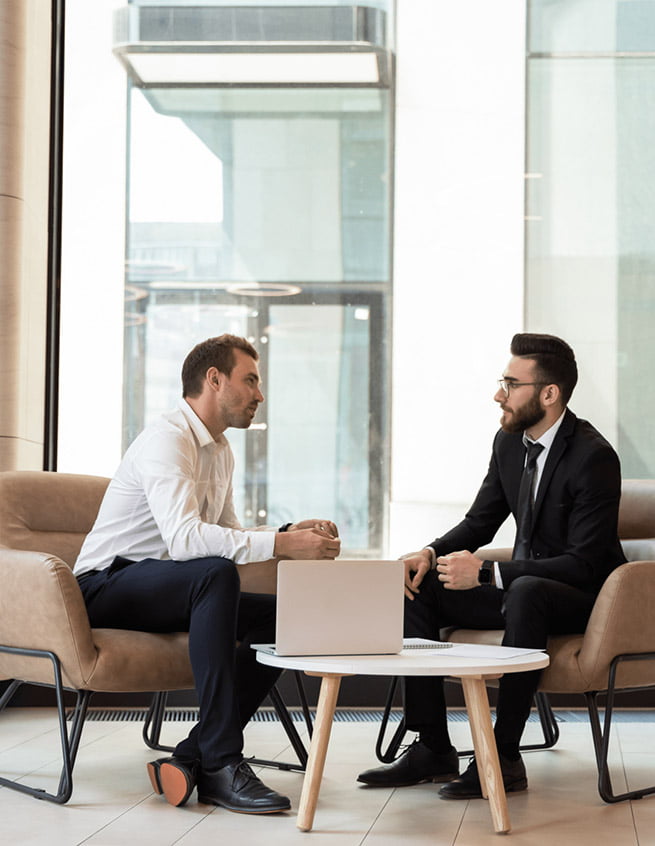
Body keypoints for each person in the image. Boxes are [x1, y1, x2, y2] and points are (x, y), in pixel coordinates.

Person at [74, 334, 340, 813]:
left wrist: (285, 533)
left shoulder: (220, 450)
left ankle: (194, 754)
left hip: (170, 586)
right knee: (214, 574)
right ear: (214, 379)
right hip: (105, 584)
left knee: (282, 620)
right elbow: (186, 542)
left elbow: (226, 533)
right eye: (251, 380)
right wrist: (281, 545)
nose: (260, 395)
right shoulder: (167, 439)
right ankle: (221, 761)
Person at [358, 333, 625, 798]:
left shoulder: (594, 458)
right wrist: (429, 553)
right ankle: (433, 746)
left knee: (526, 591)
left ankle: (501, 756)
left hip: (584, 600)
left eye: (510, 383)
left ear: (549, 394)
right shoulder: (508, 444)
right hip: (523, 592)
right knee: (421, 585)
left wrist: (486, 573)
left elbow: (583, 564)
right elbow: (479, 522)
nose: (498, 394)